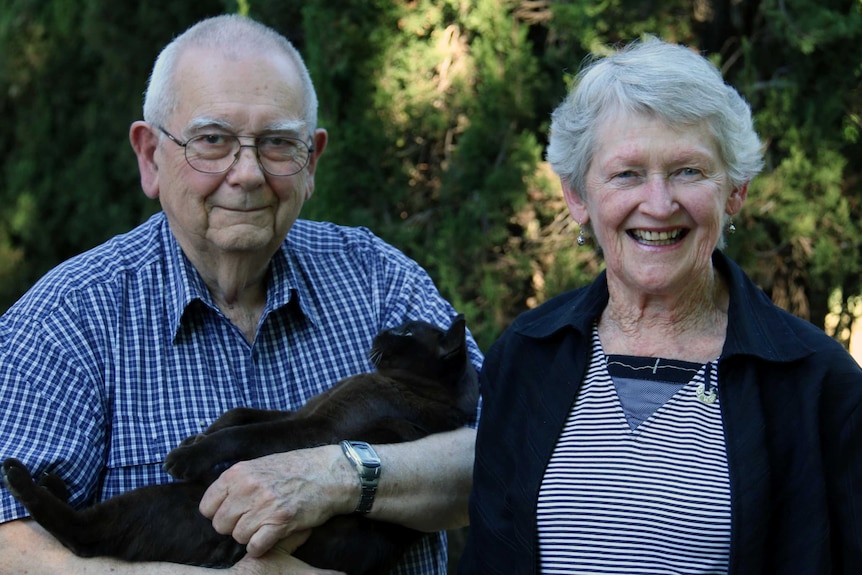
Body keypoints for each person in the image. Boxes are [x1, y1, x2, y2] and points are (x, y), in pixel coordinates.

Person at [0, 14, 482, 575]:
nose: (248, 173)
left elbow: (497, 457)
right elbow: (11, 544)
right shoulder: (67, 318)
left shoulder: (378, 278)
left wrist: (336, 476)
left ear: (312, 163)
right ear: (150, 156)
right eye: (212, 141)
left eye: (278, 144)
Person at [459, 37, 862, 574]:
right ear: (578, 196)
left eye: (688, 171)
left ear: (734, 191)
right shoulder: (527, 356)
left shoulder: (815, 381)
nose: (658, 203)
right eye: (627, 174)